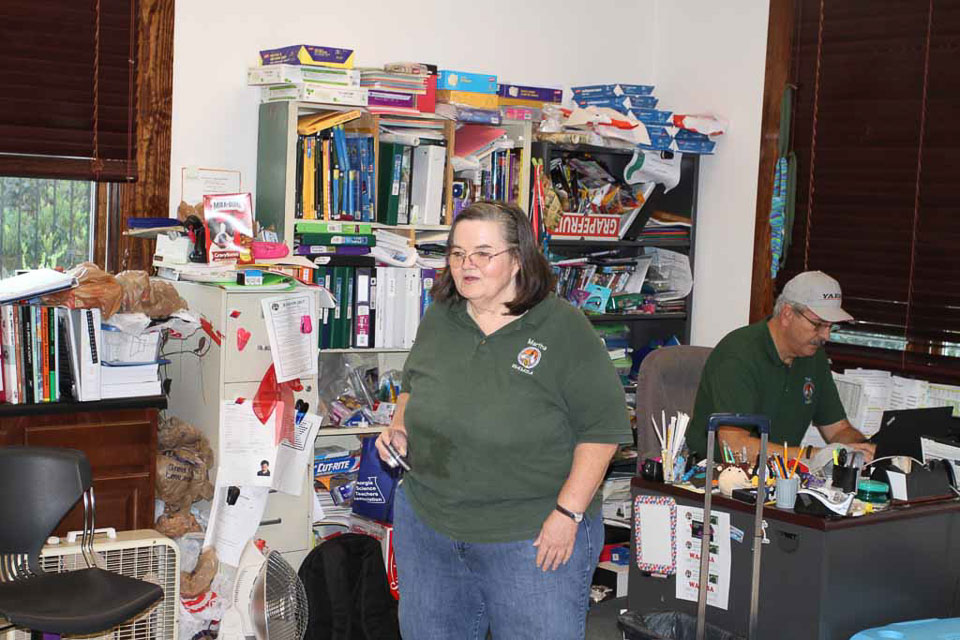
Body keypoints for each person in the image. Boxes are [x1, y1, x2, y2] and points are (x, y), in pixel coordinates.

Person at [375, 201, 632, 640]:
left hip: (529, 535)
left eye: (482, 253)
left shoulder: (564, 327)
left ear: (517, 259)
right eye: (457, 254)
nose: (466, 265)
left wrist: (567, 514)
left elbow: (603, 432)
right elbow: (413, 385)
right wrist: (399, 427)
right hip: (430, 526)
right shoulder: (441, 315)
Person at [688, 270, 876, 463]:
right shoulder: (739, 355)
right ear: (787, 314)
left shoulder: (813, 356)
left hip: (780, 473)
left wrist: (862, 448)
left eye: (831, 327)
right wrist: (814, 455)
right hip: (713, 473)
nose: (825, 336)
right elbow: (734, 448)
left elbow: (838, 429)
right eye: (818, 324)